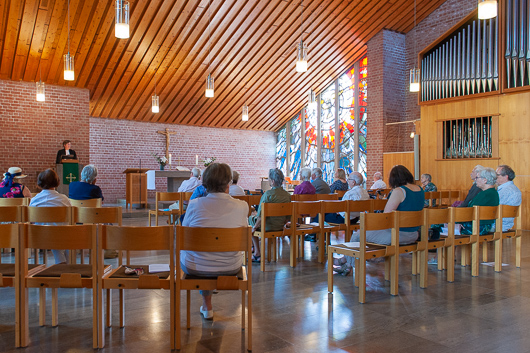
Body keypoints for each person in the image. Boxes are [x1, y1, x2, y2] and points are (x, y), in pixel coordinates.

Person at [180, 163, 248, 320]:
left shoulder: (194, 205)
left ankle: (207, 305)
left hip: (194, 267)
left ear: (205, 182)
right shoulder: (242, 206)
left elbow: (185, 236)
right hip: (230, 266)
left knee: (201, 253)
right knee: (214, 253)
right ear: (228, 182)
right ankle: (207, 305)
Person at [334, 165, 424, 275]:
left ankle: (347, 265)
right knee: (365, 235)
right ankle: (346, 261)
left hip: (398, 234)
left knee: (357, 235)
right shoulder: (420, 189)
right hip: (414, 233)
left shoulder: (399, 191)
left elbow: (385, 217)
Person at [29, 169, 71, 264]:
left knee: (54, 232)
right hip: (60, 235)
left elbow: (31, 220)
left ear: (39, 183)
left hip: (38, 236)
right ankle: (66, 267)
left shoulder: (34, 200)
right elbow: (71, 216)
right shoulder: (64, 199)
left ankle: (62, 265)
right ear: (58, 182)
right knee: (63, 234)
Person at [249, 168, 291, 261]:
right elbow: (288, 217)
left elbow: (260, 216)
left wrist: (254, 228)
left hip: (267, 227)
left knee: (250, 220)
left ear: (272, 181)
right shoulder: (287, 195)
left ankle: (257, 253)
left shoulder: (267, 194)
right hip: (280, 226)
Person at [459, 166, 499, 235]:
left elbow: (470, 212)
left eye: (477, 178)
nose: (475, 180)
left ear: (485, 180)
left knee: (438, 225)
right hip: (484, 226)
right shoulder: (493, 193)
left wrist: (458, 222)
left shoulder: (485, 194)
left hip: (476, 227)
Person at [496, 165, 522, 231]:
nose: (495, 177)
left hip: (498, 224)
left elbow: (494, 208)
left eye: (497, 175)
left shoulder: (505, 190)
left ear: (506, 177)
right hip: (507, 224)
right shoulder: (514, 188)